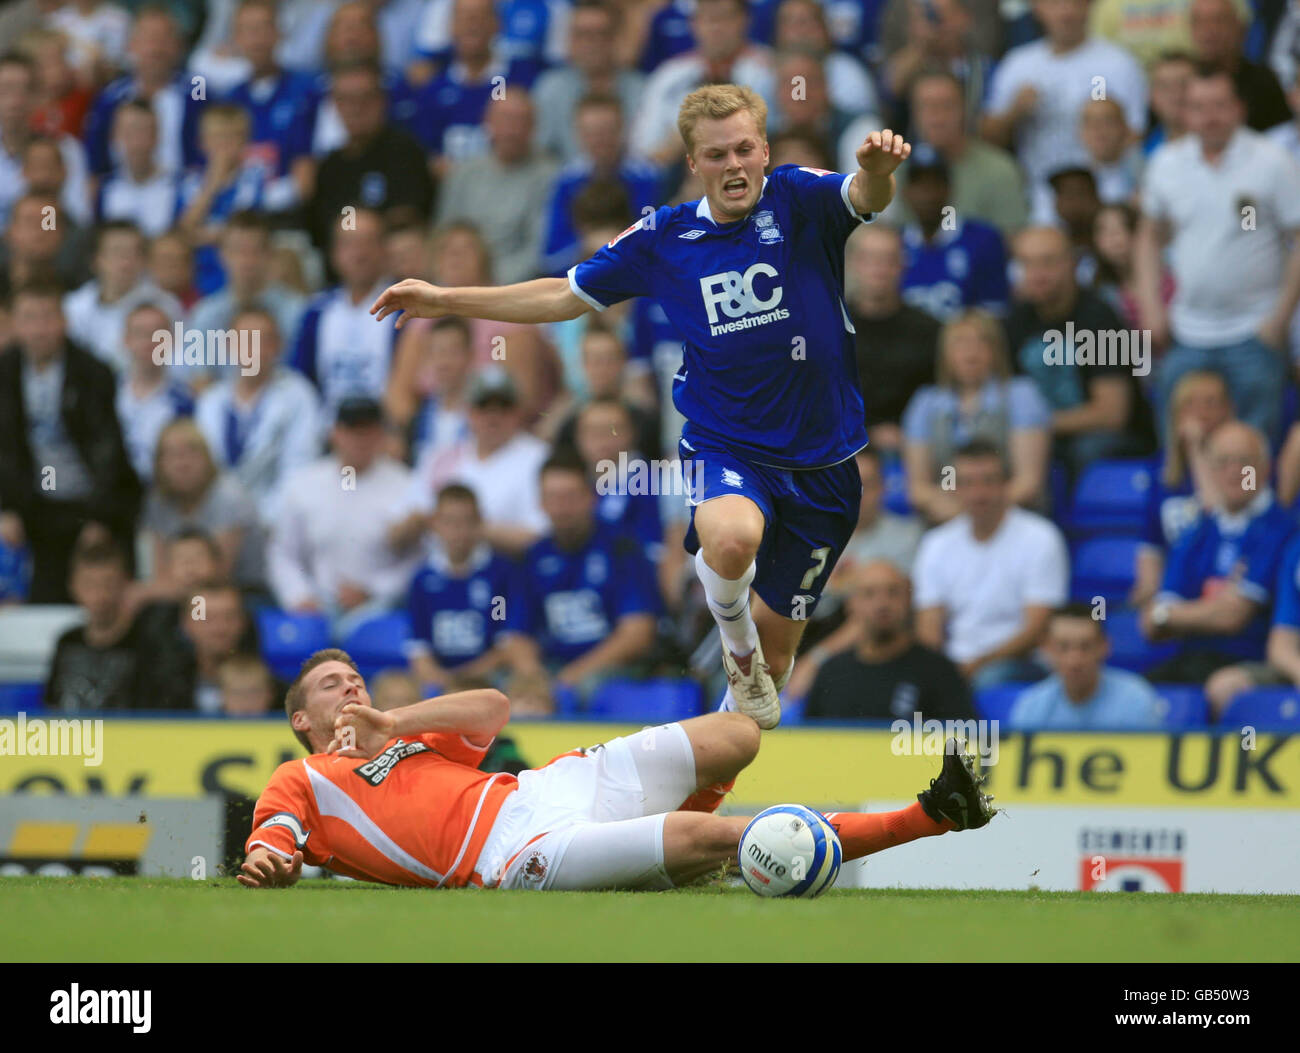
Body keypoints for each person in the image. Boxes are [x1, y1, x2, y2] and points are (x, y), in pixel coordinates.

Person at [372, 83, 914, 731]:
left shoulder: (799, 196)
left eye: (744, 149)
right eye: (716, 155)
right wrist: (446, 300)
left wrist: (879, 173)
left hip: (826, 464)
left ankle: (716, 750)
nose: (734, 165)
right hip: (729, 443)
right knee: (734, 540)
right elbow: (561, 295)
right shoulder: (665, 237)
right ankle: (733, 644)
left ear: (765, 151)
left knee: (765, 694)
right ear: (694, 164)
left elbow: (864, 195)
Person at [238, 649, 996, 890]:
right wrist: (271, 861)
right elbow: (274, 837)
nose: (354, 687)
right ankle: (930, 815)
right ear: (301, 719)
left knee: (738, 734)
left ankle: (677, 862)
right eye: (334, 685)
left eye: (355, 675)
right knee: (725, 835)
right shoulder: (302, 779)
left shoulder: (402, 735)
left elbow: (496, 710)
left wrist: (394, 720)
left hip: (542, 788)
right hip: (510, 857)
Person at [1137, 65, 1300, 440]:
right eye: (1198, 106)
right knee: (1180, 445)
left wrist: (1279, 320)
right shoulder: (1166, 163)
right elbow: (1147, 238)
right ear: (1184, 111)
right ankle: (1181, 502)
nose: (1209, 116)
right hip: (1187, 332)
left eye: (1220, 105)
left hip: (1254, 332)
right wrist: (1151, 308)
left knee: (1249, 454)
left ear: (1239, 108)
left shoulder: (1272, 161)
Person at [0, 279, 140, 603]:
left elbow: (110, 451)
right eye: (29, 318)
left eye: (48, 317)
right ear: (15, 324)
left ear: (64, 321)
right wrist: (6, 507)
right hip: (35, 503)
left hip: (93, 500)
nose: (39, 329)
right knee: (43, 596)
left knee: (102, 590)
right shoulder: (5, 373)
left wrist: (101, 516)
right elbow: (4, 449)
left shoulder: (93, 373)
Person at [496, 453, 660, 706]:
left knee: (589, 688)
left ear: (590, 497)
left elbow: (637, 634)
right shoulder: (532, 556)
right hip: (552, 669)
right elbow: (516, 636)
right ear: (540, 503)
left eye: (570, 497)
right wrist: (533, 676)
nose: (561, 508)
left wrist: (570, 677)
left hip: (611, 672)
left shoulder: (622, 549)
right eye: (553, 498)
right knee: (505, 692)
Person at [1141, 421, 1296, 684]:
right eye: (1223, 461)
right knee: (1139, 698)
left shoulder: (1280, 529)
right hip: (1188, 661)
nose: (1234, 470)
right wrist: (1207, 608)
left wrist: (1173, 615)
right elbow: (1150, 624)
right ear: (1210, 471)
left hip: (1250, 662)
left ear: (1266, 467)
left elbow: (1231, 618)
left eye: (1243, 460)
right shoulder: (1198, 531)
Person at [913, 439, 1070, 689]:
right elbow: (928, 624)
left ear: (1006, 484)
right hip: (954, 663)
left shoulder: (1041, 538)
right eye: (968, 482)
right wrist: (940, 669)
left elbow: (1038, 627)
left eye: (988, 481)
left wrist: (977, 665)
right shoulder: (936, 543)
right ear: (954, 488)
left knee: (989, 679)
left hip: (1021, 663)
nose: (978, 493)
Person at [981, 0, 1147, 225]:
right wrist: (1014, 112)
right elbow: (987, 139)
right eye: (1055, 3)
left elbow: (1135, 135)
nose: (1066, 12)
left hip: (1106, 193)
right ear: (1037, 8)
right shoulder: (1018, 64)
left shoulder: (1119, 63)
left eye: (1075, 3)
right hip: (1040, 197)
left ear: (1089, 6)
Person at [1006, 225, 1156, 473]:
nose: (1037, 274)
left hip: (1116, 438)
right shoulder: (1016, 319)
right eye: (1027, 264)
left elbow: (1112, 414)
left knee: (1086, 448)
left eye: (1048, 262)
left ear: (1072, 264)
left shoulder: (1101, 318)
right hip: (1048, 433)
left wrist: (1035, 424)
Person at [268, 396, 416, 632]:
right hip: (315, 608)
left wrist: (374, 590)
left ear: (381, 435)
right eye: (352, 430)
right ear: (335, 433)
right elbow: (284, 552)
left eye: (367, 431)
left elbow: (416, 558)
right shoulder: (303, 484)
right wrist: (299, 596)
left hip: (381, 609)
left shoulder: (407, 486)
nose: (359, 439)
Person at [902, 309, 1051, 522]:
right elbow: (918, 489)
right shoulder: (925, 403)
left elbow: (1028, 483)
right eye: (960, 343)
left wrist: (977, 512)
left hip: (1011, 518)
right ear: (945, 354)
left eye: (982, 342)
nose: (971, 352)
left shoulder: (1020, 396)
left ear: (996, 351)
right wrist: (955, 514)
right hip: (946, 519)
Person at [798, 560, 974, 721]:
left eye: (893, 592)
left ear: (908, 600)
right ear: (851, 604)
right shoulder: (831, 673)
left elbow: (966, 742)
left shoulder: (938, 671)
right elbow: (810, 741)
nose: (882, 603)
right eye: (869, 593)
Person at [435, 92, 560, 285]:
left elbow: (538, 250)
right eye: (504, 120)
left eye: (520, 121)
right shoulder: (464, 173)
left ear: (534, 127)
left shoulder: (552, 177)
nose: (511, 130)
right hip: (460, 283)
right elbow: (444, 235)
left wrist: (488, 285)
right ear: (487, 123)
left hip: (516, 288)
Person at [405, 483, 515, 688]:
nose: (458, 530)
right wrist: (443, 681)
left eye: (467, 521)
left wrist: (462, 680)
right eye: (449, 521)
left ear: (479, 523)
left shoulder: (500, 574)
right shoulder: (422, 579)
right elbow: (419, 649)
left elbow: (506, 646)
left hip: (490, 677)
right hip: (438, 680)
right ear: (434, 524)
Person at [845, 224, 941, 452]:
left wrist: (913, 435)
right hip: (846, 450)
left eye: (889, 259)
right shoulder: (827, 327)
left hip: (918, 448)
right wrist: (868, 433)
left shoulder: (931, 330)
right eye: (869, 259)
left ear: (902, 264)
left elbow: (944, 400)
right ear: (851, 263)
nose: (879, 268)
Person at [143, 417, 265, 590]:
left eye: (190, 453)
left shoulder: (230, 497)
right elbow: (161, 572)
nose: (182, 464)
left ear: (208, 457)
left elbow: (213, 576)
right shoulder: (158, 500)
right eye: (172, 455)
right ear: (159, 464)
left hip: (244, 593)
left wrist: (146, 594)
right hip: (184, 595)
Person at [1008, 604, 1164, 730]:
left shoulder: (1136, 698)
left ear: (1104, 647)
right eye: (1063, 647)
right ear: (1046, 649)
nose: (1074, 660)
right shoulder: (1032, 706)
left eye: (1085, 647)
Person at [44, 538, 145, 711]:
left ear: (125, 584)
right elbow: (50, 706)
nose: (100, 595)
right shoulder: (67, 642)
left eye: (108, 584)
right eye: (89, 584)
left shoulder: (144, 644)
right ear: (73, 586)